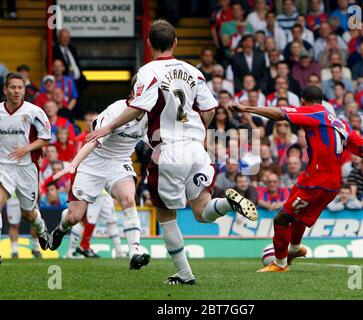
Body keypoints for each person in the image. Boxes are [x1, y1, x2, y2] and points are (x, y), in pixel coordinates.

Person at [86, 20, 258, 284]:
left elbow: (137, 108)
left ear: (149, 44)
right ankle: (227, 203)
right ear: (176, 42)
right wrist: (198, 133)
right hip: (197, 149)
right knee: (202, 212)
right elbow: (210, 110)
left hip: (168, 152)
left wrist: (107, 126)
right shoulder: (194, 71)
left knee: (167, 217)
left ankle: (185, 274)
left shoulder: (148, 71)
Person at [228, 85, 363, 272]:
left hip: (318, 182)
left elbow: (280, 113)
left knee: (281, 219)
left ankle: (280, 264)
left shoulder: (313, 113)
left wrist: (246, 108)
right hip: (323, 181)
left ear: (303, 101)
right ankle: (295, 248)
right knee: (298, 215)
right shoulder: (340, 122)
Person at [48, 76, 149, 270]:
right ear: (133, 91)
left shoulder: (150, 115)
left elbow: (158, 142)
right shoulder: (115, 111)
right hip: (92, 164)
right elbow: (92, 141)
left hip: (119, 163)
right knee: (74, 217)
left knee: (128, 198)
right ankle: (61, 228)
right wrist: (73, 165)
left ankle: (135, 250)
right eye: (143, 90)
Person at [0, 72, 51, 264]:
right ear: (5, 90)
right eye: (12, 87)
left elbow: (46, 137)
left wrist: (26, 149)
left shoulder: (34, 111)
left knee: (28, 213)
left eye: (20, 87)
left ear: (24, 90)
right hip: (3, 166)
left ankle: (41, 227)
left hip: (26, 167)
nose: (16, 91)